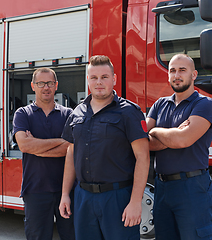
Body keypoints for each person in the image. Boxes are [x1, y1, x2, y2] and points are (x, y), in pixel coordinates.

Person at [59, 55, 150, 240]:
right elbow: (71, 153)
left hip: (117, 198)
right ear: (88, 80)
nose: (99, 82)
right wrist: (65, 194)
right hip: (83, 197)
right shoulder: (77, 112)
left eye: (104, 77)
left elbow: (143, 157)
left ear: (114, 79)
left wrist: (135, 202)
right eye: (94, 77)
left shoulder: (129, 112)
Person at [146, 54, 212, 240]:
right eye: (172, 70)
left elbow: (183, 141)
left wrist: (156, 131)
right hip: (161, 188)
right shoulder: (159, 104)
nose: (177, 75)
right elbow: (144, 141)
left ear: (194, 75)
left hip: (192, 187)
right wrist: (173, 132)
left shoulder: (204, 104)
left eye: (182, 70)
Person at [13, 67, 75, 240]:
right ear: (33, 86)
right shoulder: (23, 114)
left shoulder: (69, 114)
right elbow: (24, 145)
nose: (45, 87)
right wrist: (60, 141)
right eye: (41, 83)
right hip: (35, 190)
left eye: (49, 83)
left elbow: (71, 147)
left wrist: (37, 148)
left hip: (67, 190)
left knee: (72, 236)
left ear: (56, 86)